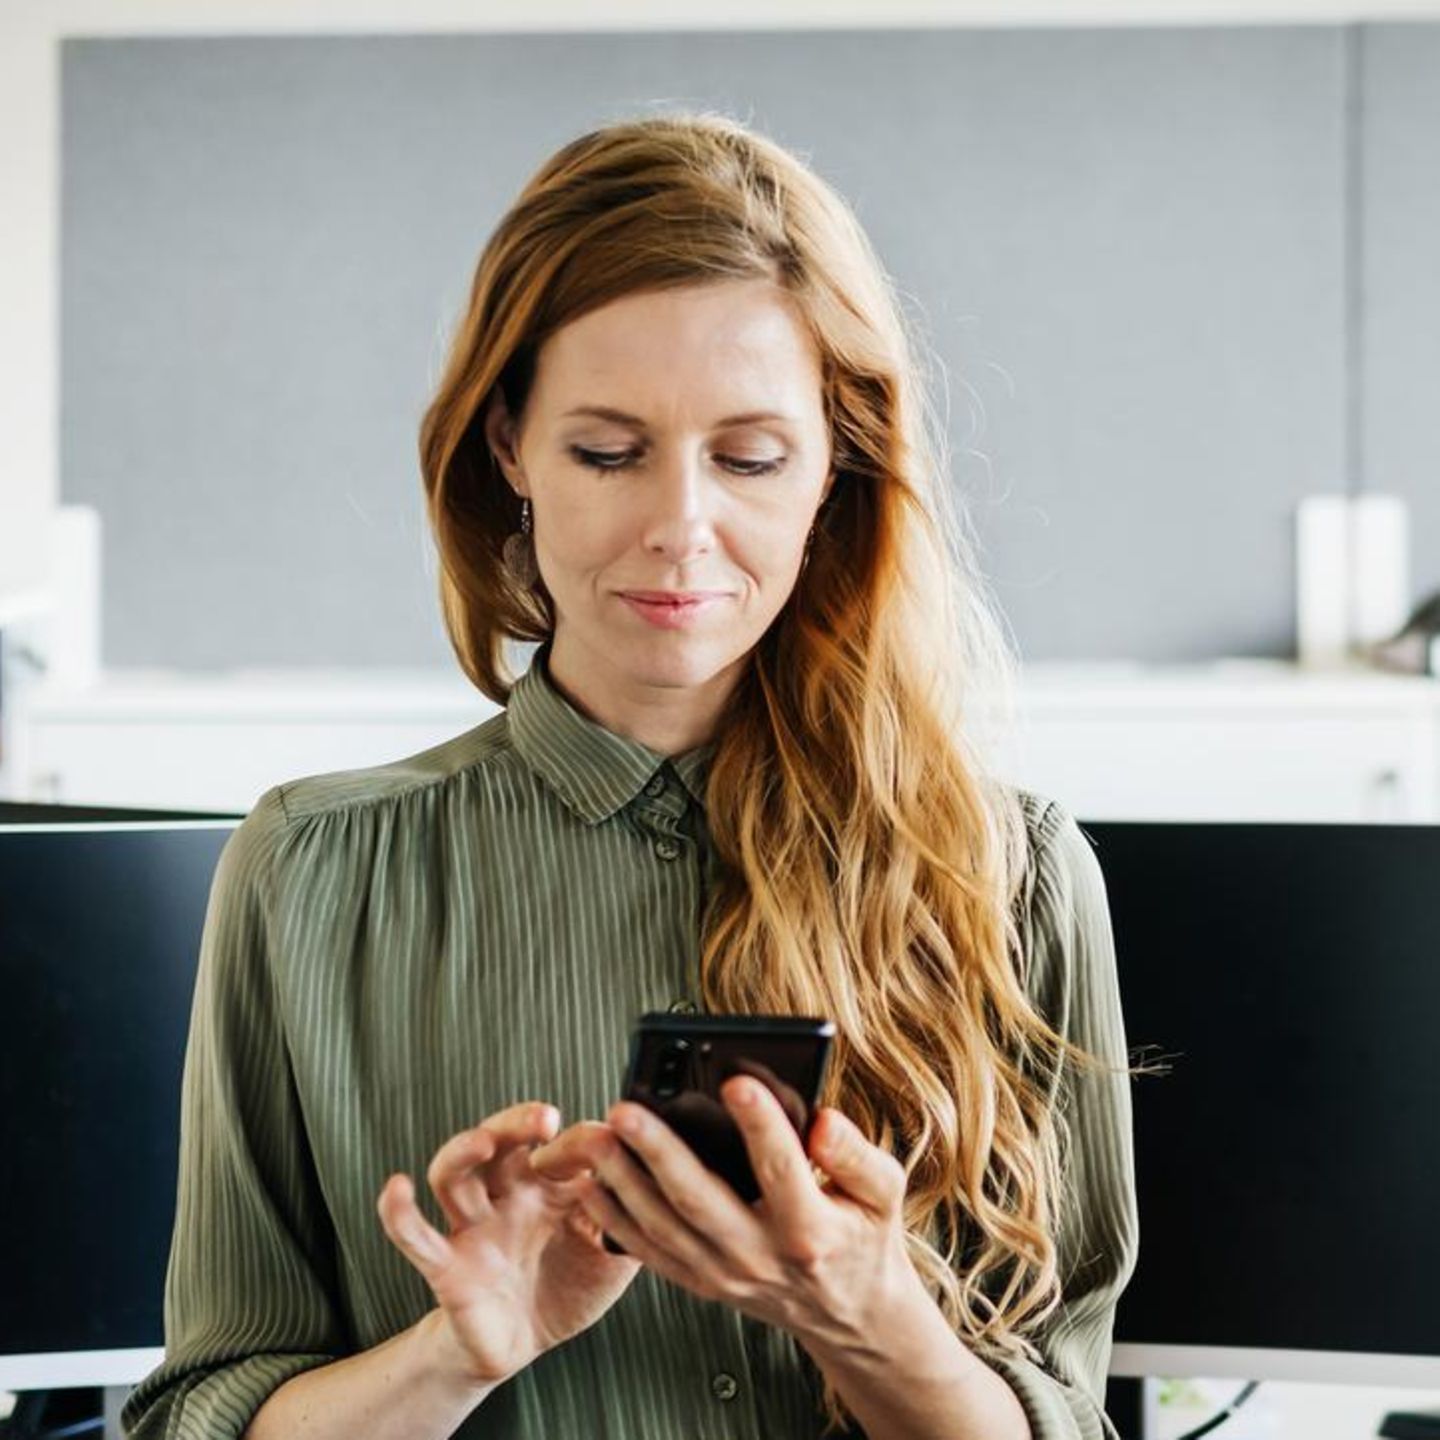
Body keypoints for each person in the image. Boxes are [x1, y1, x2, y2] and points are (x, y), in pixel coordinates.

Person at [121, 111, 1138, 1440]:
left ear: (834, 465)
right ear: (507, 445)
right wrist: (454, 1355)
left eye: (750, 458)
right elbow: (198, 1413)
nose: (679, 527)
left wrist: (874, 1325)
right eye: (607, 452)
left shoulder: (1011, 877)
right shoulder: (311, 872)